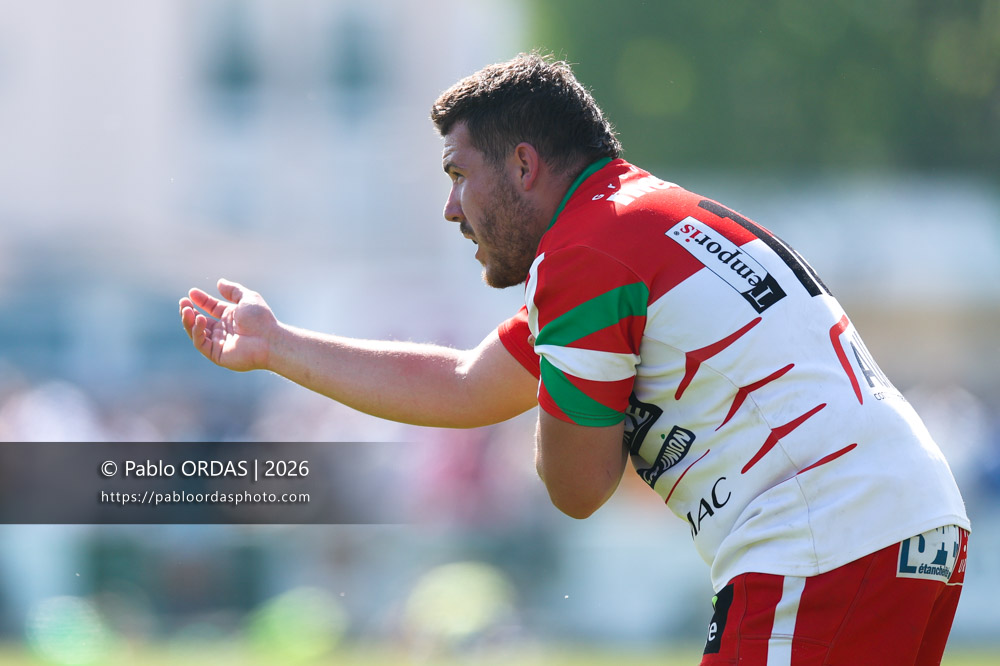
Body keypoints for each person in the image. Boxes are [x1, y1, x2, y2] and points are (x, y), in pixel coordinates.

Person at [179, 53, 970, 664]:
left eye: (459, 175)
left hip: (825, 538)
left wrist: (586, 417)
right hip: (900, 524)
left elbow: (576, 486)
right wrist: (278, 346)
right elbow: (467, 385)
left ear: (524, 166)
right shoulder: (630, 220)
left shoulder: (585, 253)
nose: (451, 208)